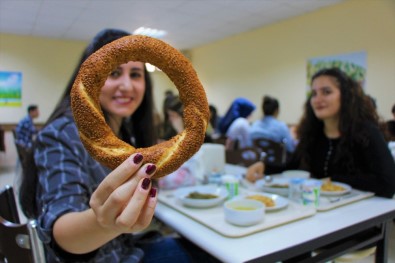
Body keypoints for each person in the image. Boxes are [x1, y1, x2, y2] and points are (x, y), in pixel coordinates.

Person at [19, 29, 218, 263]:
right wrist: (104, 223)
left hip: (132, 248)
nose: (126, 85)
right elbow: (61, 231)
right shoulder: (62, 133)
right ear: (91, 78)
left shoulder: (125, 133)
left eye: (135, 74)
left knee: (210, 250)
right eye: (114, 73)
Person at [246, 68, 395, 198]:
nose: (318, 99)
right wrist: (265, 167)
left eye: (326, 92)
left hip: (359, 218)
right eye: (314, 93)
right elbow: (291, 166)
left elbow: (388, 184)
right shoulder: (312, 133)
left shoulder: (366, 132)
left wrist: (335, 180)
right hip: (320, 210)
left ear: (346, 96)